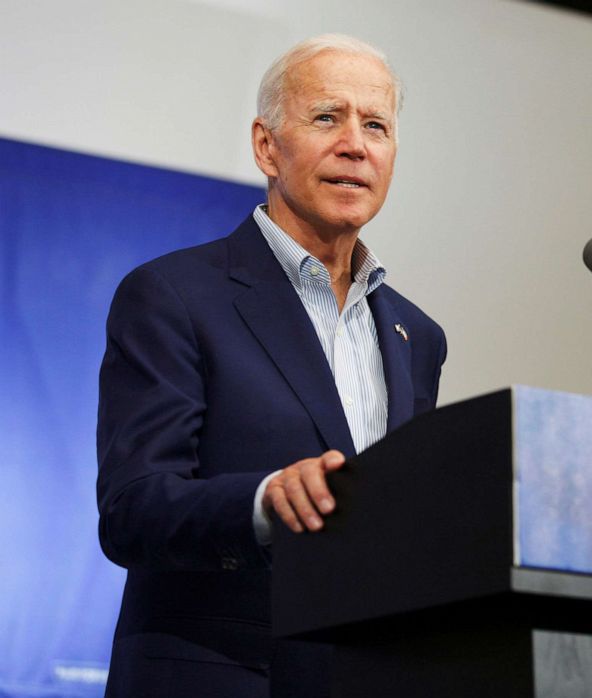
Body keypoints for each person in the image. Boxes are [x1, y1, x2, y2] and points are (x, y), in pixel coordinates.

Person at [96, 34, 446, 697]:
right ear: (266, 146)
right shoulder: (173, 295)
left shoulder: (417, 336)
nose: (356, 144)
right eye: (327, 118)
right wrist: (263, 502)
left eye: (376, 125)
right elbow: (132, 509)